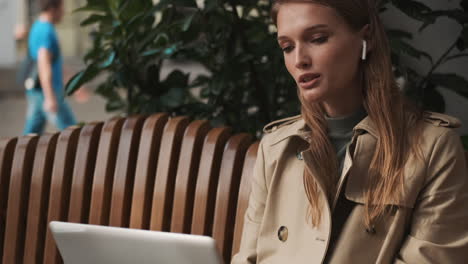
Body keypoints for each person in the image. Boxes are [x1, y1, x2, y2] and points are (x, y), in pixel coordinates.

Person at [232, 0, 468, 263]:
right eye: (287, 47)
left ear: (364, 39)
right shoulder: (276, 147)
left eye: (318, 39)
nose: (299, 60)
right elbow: (248, 257)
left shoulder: (433, 147)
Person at [23, 0, 77, 135]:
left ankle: (15, 155)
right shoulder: (46, 30)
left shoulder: (38, 26)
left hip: (38, 91)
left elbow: (54, 63)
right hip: (47, 90)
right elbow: (43, 63)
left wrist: (74, 84)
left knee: (32, 133)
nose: (64, 12)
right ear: (53, 8)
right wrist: (50, 97)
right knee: (72, 131)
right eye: (62, 8)